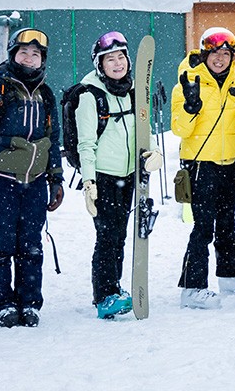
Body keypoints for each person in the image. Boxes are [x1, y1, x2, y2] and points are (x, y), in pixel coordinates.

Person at [0, 27, 65, 327]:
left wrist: (56, 178)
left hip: (33, 181)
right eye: (24, 52)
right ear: (13, 55)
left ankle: (28, 303)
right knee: (2, 244)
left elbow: (52, 137)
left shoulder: (45, 94)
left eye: (36, 54)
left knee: (31, 245)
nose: (30, 58)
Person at [74, 30, 163, 319]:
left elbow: (141, 129)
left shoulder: (134, 89)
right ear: (99, 64)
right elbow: (86, 142)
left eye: (121, 57)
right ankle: (105, 295)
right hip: (104, 177)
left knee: (121, 236)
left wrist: (149, 154)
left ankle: (115, 289)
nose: (117, 63)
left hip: (130, 176)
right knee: (107, 236)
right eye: (109, 59)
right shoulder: (90, 94)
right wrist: (89, 182)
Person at [171, 26, 235, 309]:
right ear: (205, 54)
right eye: (215, 53)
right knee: (203, 228)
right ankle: (192, 289)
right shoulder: (186, 83)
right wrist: (191, 106)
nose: (220, 59)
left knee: (227, 226)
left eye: (226, 53)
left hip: (229, 165)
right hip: (201, 165)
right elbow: (179, 129)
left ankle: (229, 280)